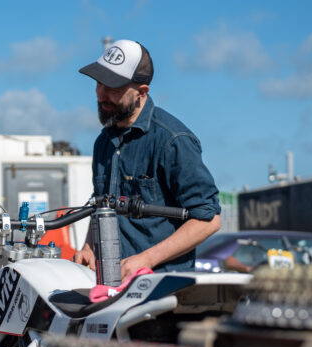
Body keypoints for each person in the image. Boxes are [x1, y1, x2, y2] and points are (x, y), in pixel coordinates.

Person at [74, 39, 221, 279]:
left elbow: (209, 219)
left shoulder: (173, 140)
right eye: (99, 83)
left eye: (113, 88)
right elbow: (101, 205)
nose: (101, 95)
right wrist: (89, 246)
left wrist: (146, 260)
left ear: (141, 92)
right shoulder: (103, 142)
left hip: (161, 291)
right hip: (109, 288)